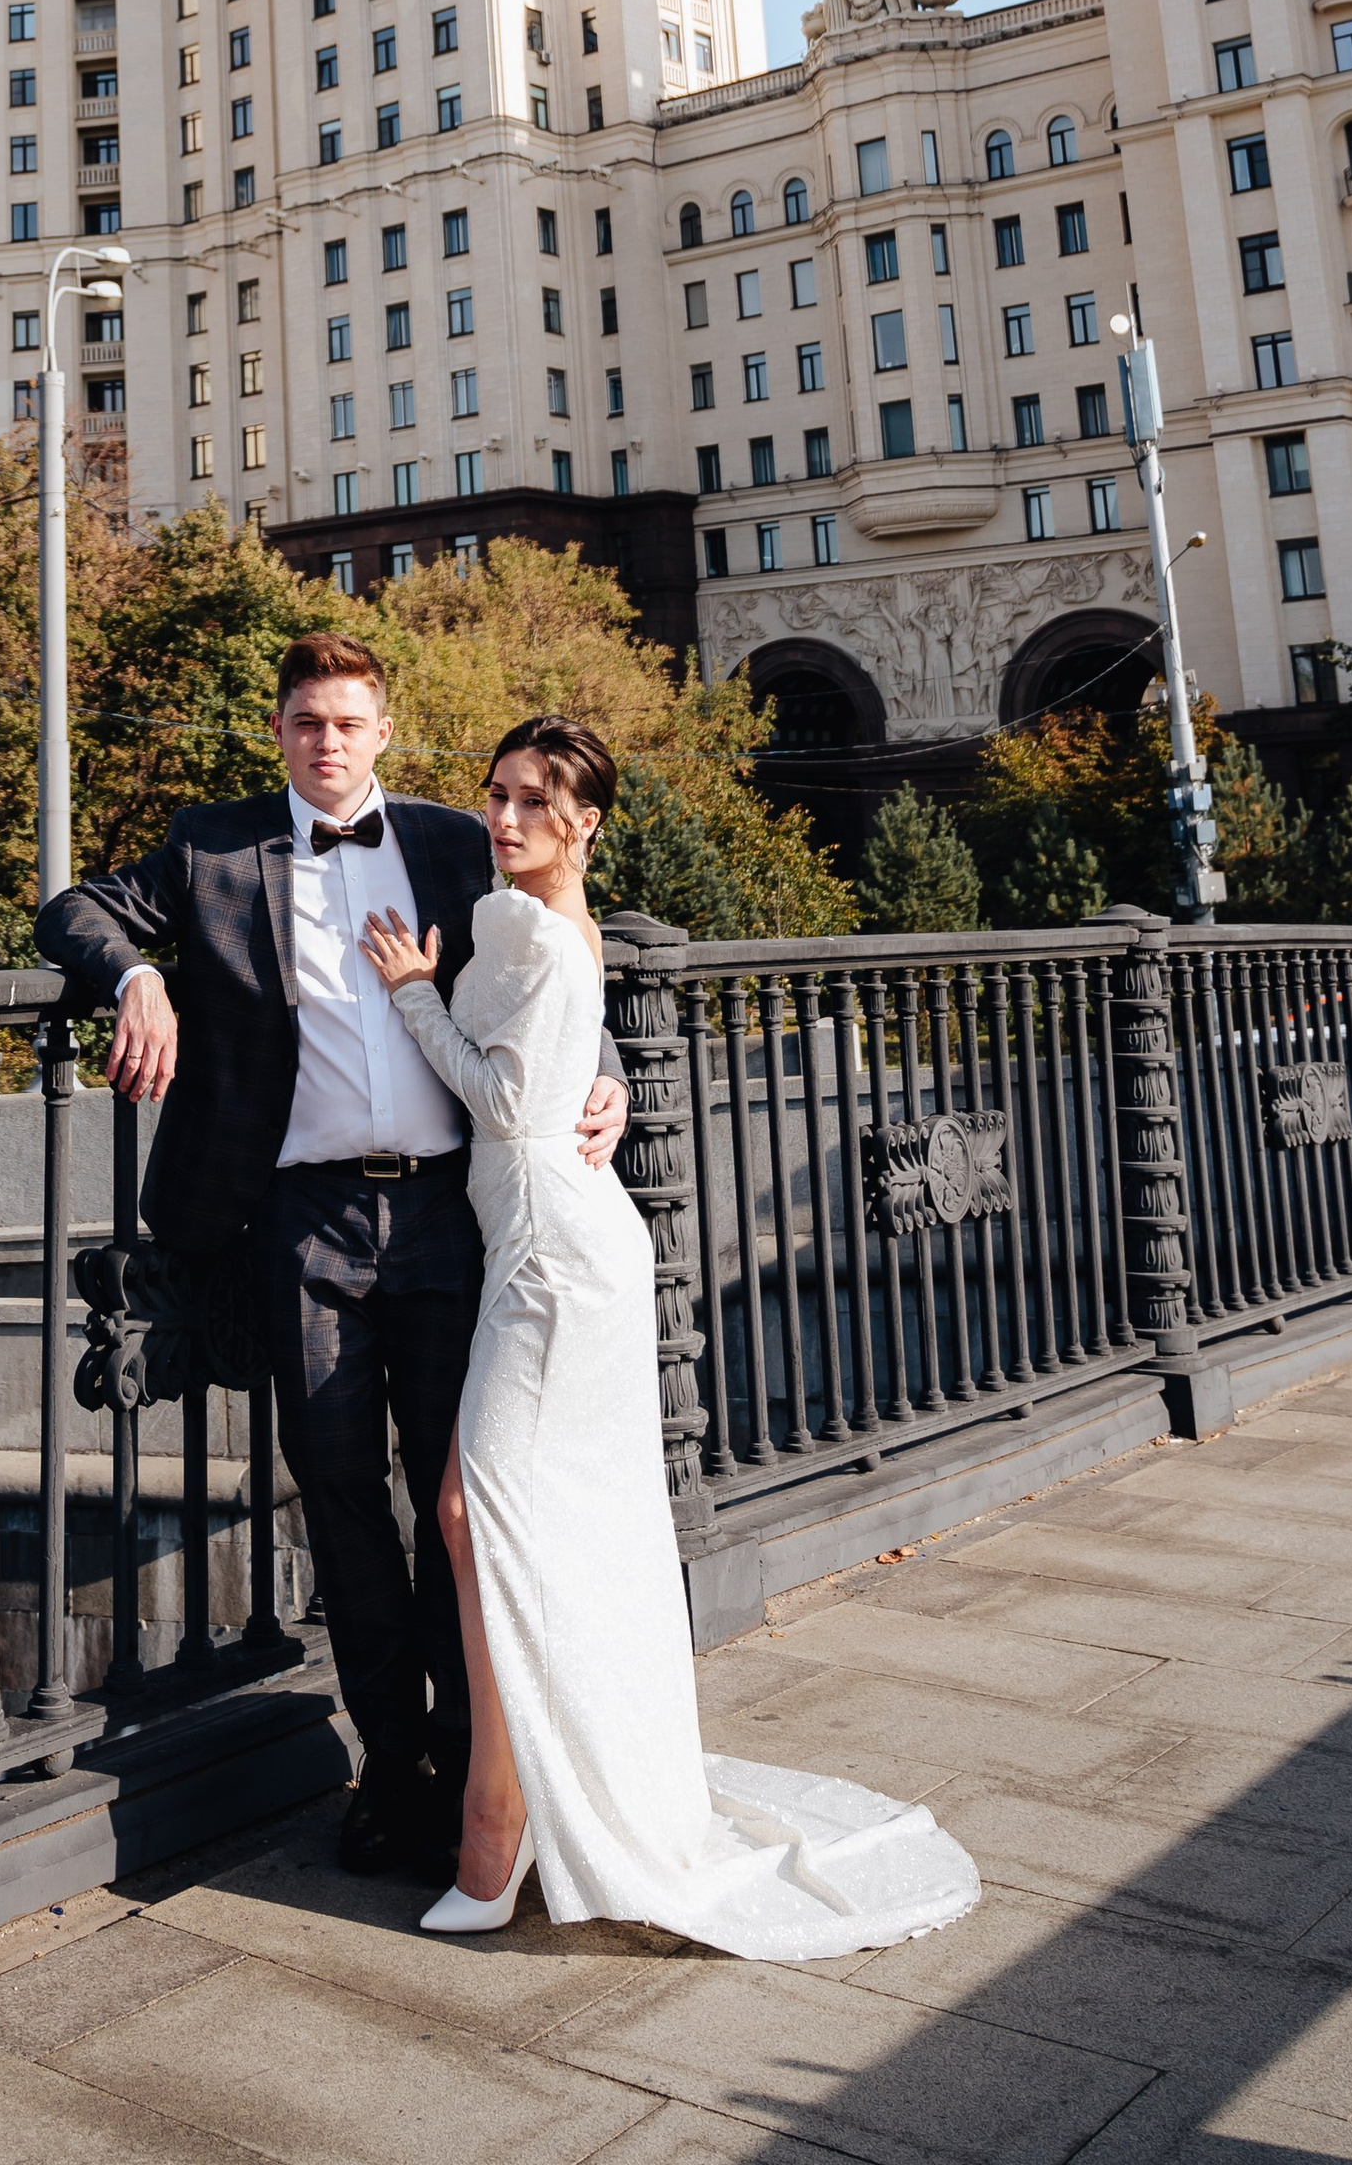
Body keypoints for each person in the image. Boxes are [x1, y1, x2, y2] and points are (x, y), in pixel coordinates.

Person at [358, 714, 980, 1958]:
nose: (506, 816)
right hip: (541, 1246)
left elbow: (502, 1099)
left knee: (475, 1516)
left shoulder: (537, 929)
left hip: (555, 1257)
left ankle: (497, 1822)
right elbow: (557, 1050)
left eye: (536, 800)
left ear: (585, 821)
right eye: (498, 792)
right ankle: (523, 1792)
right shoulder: (529, 917)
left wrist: (415, 996)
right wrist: (594, 1062)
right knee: (519, 1523)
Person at [36, 630, 628, 1881]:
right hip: (298, 1223)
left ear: (384, 730)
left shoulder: (458, 839)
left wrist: (610, 1074)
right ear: (279, 728)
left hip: (449, 1219)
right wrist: (139, 975)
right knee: (344, 1504)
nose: (328, 742)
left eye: (350, 722)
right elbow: (71, 907)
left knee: (461, 1512)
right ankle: (392, 1771)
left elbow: (559, 962)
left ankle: (480, 1776)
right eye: (307, 720)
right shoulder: (212, 847)